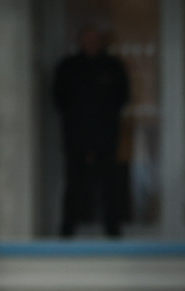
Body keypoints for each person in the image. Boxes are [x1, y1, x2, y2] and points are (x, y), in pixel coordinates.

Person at [53, 25, 129, 237]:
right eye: (87, 39)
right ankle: (67, 230)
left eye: (95, 39)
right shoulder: (68, 66)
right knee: (74, 182)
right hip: (75, 134)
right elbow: (59, 98)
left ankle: (112, 229)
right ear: (80, 42)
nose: (91, 44)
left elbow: (122, 97)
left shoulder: (113, 66)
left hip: (105, 134)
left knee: (108, 183)